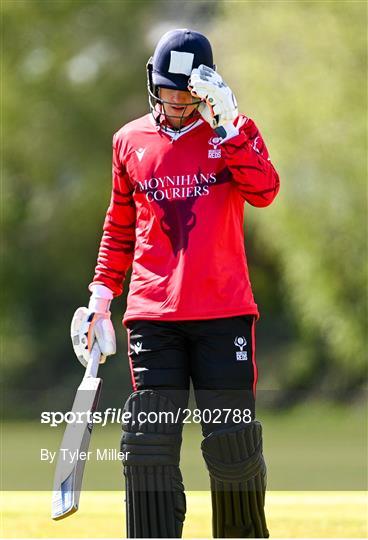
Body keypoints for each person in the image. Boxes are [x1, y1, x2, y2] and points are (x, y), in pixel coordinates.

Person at [71, 28, 279, 538]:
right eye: (167, 90)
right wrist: (100, 299)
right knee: (148, 447)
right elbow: (120, 225)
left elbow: (265, 190)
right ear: (153, 84)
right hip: (152, 315)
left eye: (186, 93)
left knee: (232, 445)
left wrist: (230, 124)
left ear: (206, 89)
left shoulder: (233, 132)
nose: (176, 102)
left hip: (223, 311)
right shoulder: (129, 141)